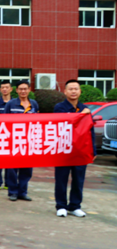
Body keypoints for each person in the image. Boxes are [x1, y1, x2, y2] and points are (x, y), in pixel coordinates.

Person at [53, 80, 93, 218]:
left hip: (80, 151)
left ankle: (75, 206)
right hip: (63, 149)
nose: (73, 91)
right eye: (70, 89)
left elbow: (90, 130)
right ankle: (61, 206)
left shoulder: (85, 108)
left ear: (80, 91)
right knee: (61, 179)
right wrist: (82, 114)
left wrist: (93, 150)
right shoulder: (60, 107)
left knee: (78, 180)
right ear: (65, 92)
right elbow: (67, 122)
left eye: (76, 89)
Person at [3, 80, 39, 202]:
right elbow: (4, 121)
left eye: (25, 89)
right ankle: (13, 192)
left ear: (29, 90)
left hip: (29, 140)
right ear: (17, 90)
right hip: (14, 140)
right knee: (12, 168)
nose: (23, 91)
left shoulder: (34, 104)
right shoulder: (11, 104)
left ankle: (23, 192)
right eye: (21, 89)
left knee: (27, 168)